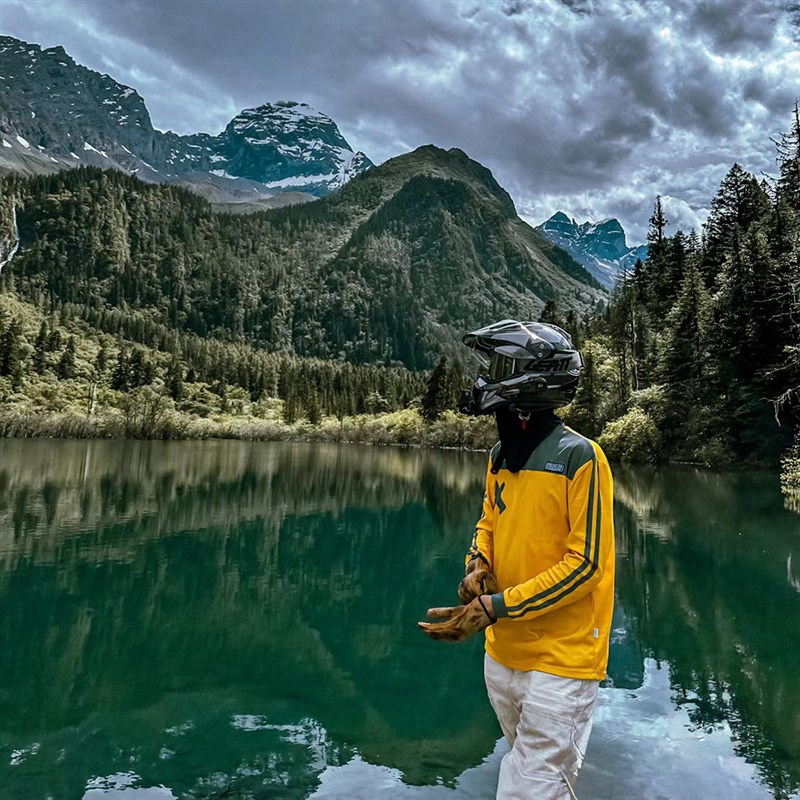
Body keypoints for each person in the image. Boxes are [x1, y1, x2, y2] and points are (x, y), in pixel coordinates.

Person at [419, 319, 615, 800]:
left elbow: (585, 565)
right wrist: (475, 567)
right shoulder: (499, 455)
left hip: (562, 662)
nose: (487, 377)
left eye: (500, 366)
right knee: (538, 784)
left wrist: (495, 608)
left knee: (528, 791)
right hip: (502, 657)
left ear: (533, 379)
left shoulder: (581, 458)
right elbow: (489, 520)